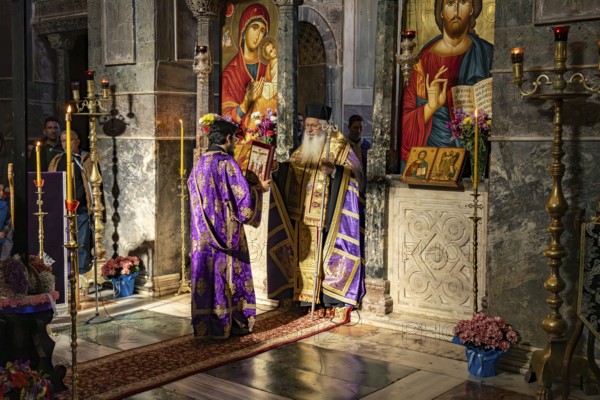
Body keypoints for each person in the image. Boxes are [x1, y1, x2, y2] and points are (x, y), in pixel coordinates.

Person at [267, 103, 365, 310]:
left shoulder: (339, 147)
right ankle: (303, 298)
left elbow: (357, 172)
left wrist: (336, 171)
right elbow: (291, 169)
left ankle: (327, 297)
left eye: (314, 126)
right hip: (302, 214)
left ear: (324, 126)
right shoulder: (302, 150)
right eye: (308, 126)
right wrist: (277, 169)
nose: (309, 129)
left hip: (327, 215)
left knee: (325, 259)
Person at [188, 117, 270, 339]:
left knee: (206, 277)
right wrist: (259, 188)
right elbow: (243, 205)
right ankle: (232, 324)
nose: (234, 142)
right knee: (229, 277)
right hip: (227, 234)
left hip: (202, 236)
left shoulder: (199, 164)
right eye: (234, 138)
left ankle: (207, 327)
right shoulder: (226, 163)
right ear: (227, 138)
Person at [400, 0, 493, 169]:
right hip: (429, 160)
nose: (456, 11)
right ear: (441, 11)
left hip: (473, 161)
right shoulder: (422, 60)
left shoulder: (487, 55)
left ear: (473, 9)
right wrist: (430, 107)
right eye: (450, 3)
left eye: (463, 3)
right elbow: (405, 122)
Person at [48, 130, 95, 279]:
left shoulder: (84, 159)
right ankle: (64, 275)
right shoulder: (57, 160)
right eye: (62, 141)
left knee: (81, 244)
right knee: (62, 243)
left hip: (80, 209)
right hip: (61, 210)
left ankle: (81, 275)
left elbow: (91, 185)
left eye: (70, 140)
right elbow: (51, 183)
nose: (66, 144)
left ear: (77, 141)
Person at [221, 3, 271, 130]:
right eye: (254, 28)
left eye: (262, 31)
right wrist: (246, 102)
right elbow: (225, 117)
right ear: (243, 29)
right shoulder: (230, 74)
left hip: (264, 136)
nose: (257, 36)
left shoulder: (268, 69)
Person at [346, 115, 371, 189]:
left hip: (364, 186)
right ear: (349, 127)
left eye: (361, 128)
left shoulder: (367, 145)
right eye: (355, 128)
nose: (359, 131)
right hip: (348, 185)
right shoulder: (343, 145)